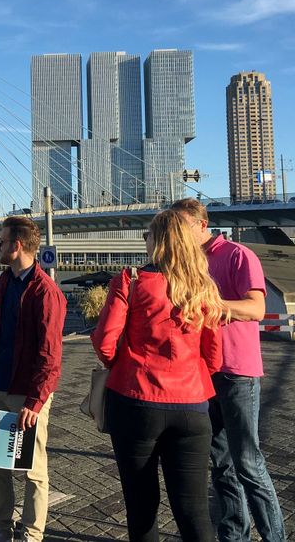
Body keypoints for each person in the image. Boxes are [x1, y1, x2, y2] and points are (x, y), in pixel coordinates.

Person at [91, 210, 225, 541]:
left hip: (135, 401)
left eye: (147, 234)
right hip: (193, 406)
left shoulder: (131, 280)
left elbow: (105, 342)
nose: (145, 240)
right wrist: (189, 376)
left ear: (159, 241)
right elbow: (214, 357)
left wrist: (123, 366)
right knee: (194, 511)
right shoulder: (202, 287)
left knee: (141, 509)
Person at [171, 198, 287, 542]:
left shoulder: (237, 255)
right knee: (221, 464)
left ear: (201, 225)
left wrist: (210, 304)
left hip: (237, 371)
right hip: (203, 373)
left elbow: (256, 308)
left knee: (248, 463)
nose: (177, 235)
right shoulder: (189, 263)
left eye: (182, 227)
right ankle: (234, 535)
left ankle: (274, 536)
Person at [0, 216, 66, 542]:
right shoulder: (7, 282)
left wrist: (36, 400)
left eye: (1, 242)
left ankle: (31, 535)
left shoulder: (45, 293)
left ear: (16, 246)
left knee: (32, 472)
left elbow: (50, 355)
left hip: (25, 395)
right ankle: (1, 530)